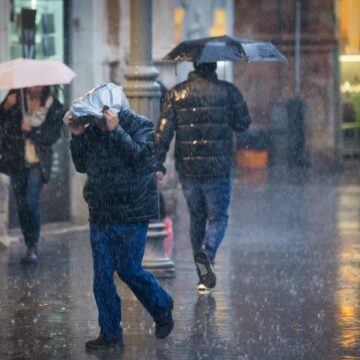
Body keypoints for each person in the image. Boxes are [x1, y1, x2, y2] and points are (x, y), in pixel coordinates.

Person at [67, 98, 174, 350]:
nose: (95, 121)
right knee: (102, 277)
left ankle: (161, 307)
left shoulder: (140, 126)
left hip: (132, 212)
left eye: (98, 115)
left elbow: (141, 158)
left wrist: (117, 131)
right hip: (102, 213)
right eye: (92, 116)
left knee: (129, 270)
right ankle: (110, 334)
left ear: (112, 110)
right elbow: (82, 165)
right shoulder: (92, 131)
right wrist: (77, 136)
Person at [155, 62, 251, 294]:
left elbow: (163, 130)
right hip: (218, 167)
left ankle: (203, 277)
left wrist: (157, 162)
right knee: (218, 217)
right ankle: (207, 254)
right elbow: (243, 124)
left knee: (197, 219)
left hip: (188, 168)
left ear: (194, 66)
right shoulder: (228, 91)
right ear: (214, 66)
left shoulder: (176, 93)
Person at [0, 86, 64, 264]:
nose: (34, 87)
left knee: (31, 200)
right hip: (17, 159)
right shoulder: (16, 97)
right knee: (21, 204)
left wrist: (32, 131)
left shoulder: (54, 105)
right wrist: (6, 106)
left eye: (38, 83)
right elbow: (3, 122)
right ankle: (29, 242)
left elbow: (53, 136)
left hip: (39, 162)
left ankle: (33, 245)